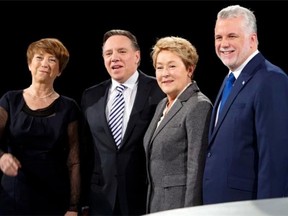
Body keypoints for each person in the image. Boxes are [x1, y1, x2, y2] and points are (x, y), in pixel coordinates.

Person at [203, 5, 288, 205]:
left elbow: (275, 159)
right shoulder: (229, 79)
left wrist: (270, 210)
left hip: (248, 205)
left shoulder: (271, 80)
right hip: (221, 203)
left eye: (232, 36)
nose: (223, 44)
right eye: (218, 37)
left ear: (253, 39)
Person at [80, 29, 165, 215]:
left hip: (143, 196)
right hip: (100, 199)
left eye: (121, 51)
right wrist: (82, 200)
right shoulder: (91, 96)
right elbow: (85, 151)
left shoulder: (159, 91)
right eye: (108, 53)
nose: (114, 58)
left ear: (137, 56)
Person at [0, 38, 81, 215]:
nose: (45, 63)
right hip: (14, 194)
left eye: (52, 59)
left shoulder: (69, 107)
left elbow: (74, 160)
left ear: (59, 71)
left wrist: (73, 207)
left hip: (54, 196)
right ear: (30, 64)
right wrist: (1, 157)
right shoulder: (10, 100)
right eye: (39, 57)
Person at [143, 36, 212, 213]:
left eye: (172, 66)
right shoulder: (161, 105)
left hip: (179, 206)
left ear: (190, 69)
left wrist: (191, 211)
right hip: (156, 203)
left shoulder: (198, 105)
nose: (164, 73)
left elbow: (196, 168)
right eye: (159, 67)